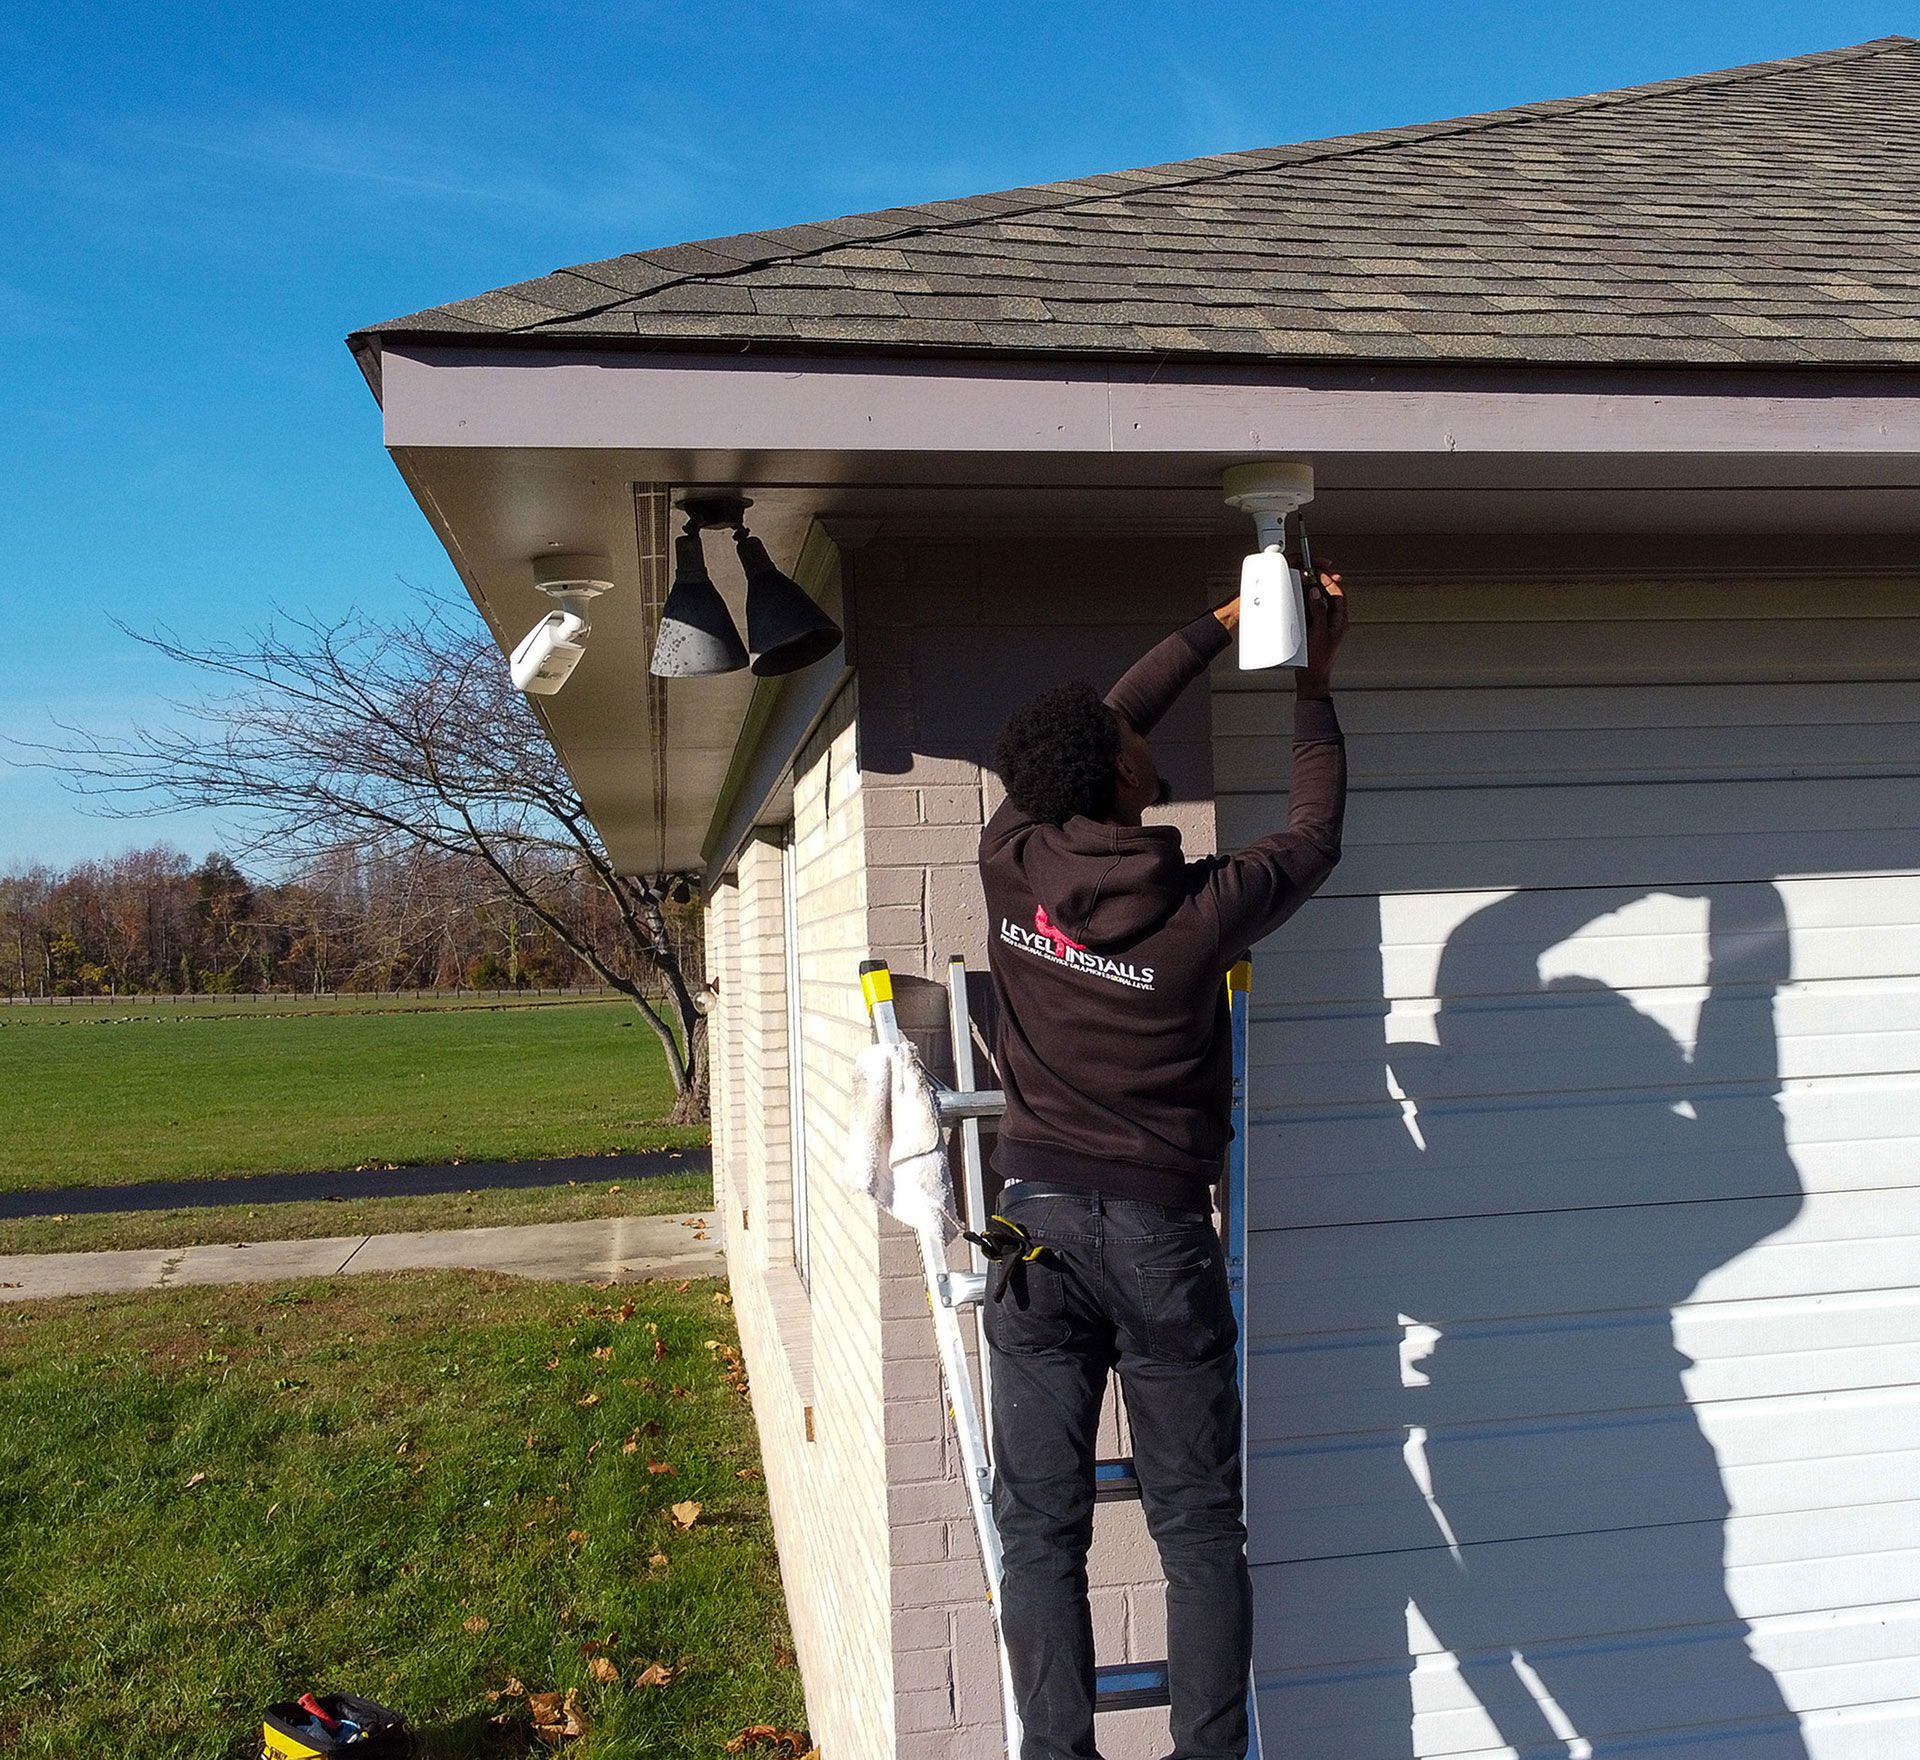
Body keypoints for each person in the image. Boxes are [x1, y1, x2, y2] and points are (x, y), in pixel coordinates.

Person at [973, 567, 1349, 1760]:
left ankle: (1056, 1751)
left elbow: (1102, 726)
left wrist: (1216, 623)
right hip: (1155, 1237)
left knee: (1039, 1529)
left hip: (1032, 1229)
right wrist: (1309, 675)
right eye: (1128, 740)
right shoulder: (1201, 909)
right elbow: (1315, 833)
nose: (1141, 737)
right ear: (1125, 774)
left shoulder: (1010, 856)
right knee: (1197, 1530)